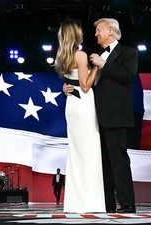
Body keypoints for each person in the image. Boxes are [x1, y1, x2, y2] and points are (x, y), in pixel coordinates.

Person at [65, 17, 138, 214]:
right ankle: (107, 204)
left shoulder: (128, 53)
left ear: (111, 32)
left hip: (117, 116)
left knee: (119, 161)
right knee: (103, 164)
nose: (96, 33)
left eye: (99, 30)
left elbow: (128, 77)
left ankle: (127, 203)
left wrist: (103, 64)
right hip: (97, 117)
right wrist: (70, 88)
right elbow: (89, 85)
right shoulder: (97, 55)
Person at [55, 19, 106, 214]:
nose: (83, 33)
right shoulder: (81, 55)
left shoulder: (62, 56)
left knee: (76, 154)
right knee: (90, 153)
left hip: (72, 105)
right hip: (84, 103)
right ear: (75, 34)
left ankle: (75, 203)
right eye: (80, 31)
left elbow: (71, 82)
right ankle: (91, 202)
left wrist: (65, 87)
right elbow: (85, 86)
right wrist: (96, 67)